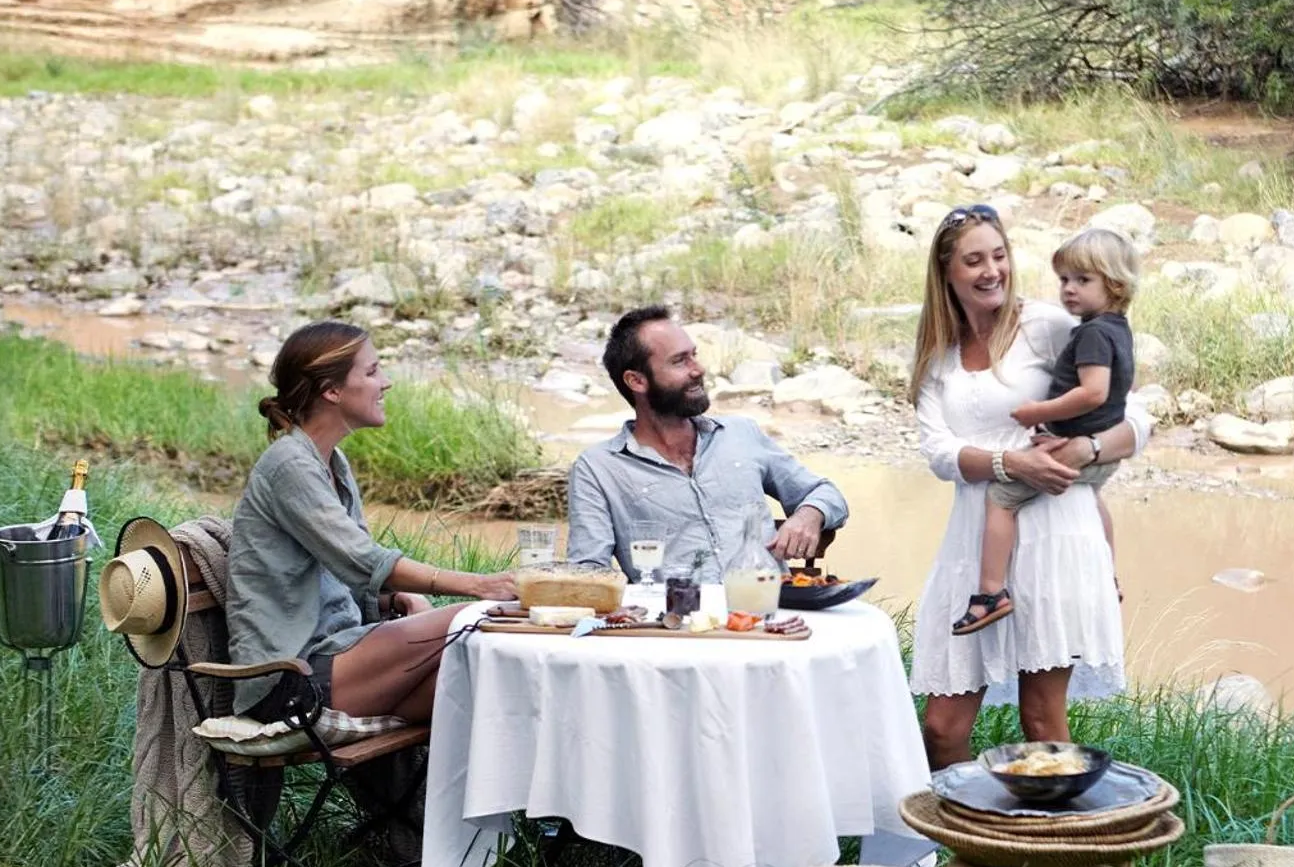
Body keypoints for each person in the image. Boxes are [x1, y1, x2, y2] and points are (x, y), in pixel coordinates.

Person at [908, 204, 1152, 771]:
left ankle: (1051, 851)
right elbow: (941, 455)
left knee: (1042, 719)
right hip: (978, 536)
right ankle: (960, 846)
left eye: (999, 256)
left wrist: (1085, 450)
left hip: (1054, 531)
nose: (992, 270)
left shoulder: (1049, 325)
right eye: (974, 260)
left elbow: (1134, 414)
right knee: (942, 728)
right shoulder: (936, 359)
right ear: (947, 271)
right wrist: (1009, 464)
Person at [226, 321, 517, 725]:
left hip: (340, 660)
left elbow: (344, 579)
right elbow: (364, 562)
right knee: (476, 616)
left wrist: (391, 601)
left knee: (478, 684)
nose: (386, 382)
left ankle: (440, 792)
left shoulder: (332, 463)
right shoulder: (288, 464)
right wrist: (480, 585)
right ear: (332, 391)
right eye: (372, 371)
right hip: (291, 679)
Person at [566, 304, 847, 579]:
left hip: (769, 615)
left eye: (694, 355)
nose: (698, 369)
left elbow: (827, 494)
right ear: (637, 381)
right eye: (679, 361)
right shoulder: (598, 469)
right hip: (675, 621)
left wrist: (810, 514)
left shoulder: (742, 435)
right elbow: (588, 572)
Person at [955, 227, 1139, 635]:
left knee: (1001, 496)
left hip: (1083, 444)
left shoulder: (1091, 333)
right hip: (1097, 448)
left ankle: (989, 593)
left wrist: (1039, 410)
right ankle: (1107, 575)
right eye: (1064, 280)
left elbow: (1093, 392)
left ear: (1115, 284)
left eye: (1082, 280)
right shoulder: (1116, 328)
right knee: (1094, 497)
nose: (1069, 290)